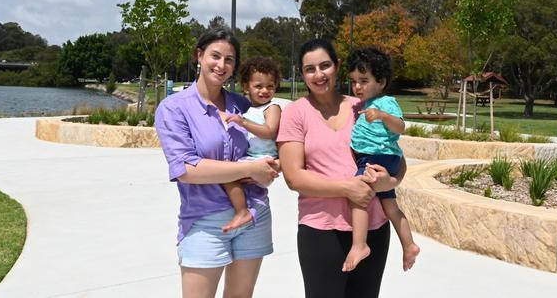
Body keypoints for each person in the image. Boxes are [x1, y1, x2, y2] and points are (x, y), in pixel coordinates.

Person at [277, 39, 407, 298]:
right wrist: (347, 188)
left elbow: (396, 156)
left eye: (325, 66)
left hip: (373, 228)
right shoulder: (295, 113)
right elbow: (294, 177)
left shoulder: (364, 105)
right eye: (310, 69)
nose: (319, 74)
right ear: (301, 74)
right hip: (322, 229)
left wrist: (390, 182)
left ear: (336, 67)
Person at [154, 28, 279, 298]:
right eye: (215, 56)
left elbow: (265, 144)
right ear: (199, 56)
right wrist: (249, 168)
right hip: (204, 221)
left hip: (255, 213)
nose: (221, 65)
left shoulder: (242, 106)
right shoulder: (174, 108)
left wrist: (272, 167)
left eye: (230, 60)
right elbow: (186, 169)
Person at [342, 47, 420, 273]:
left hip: (378, 157)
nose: (357, 87)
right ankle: (409, 245)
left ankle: (359, 245)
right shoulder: (365, 104)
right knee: (391, 206)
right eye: (354, 81)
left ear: (382, 81)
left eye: (364, 81)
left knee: (357, 196)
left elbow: (401, 126)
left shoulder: (385, 102)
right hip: (380, 157)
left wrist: (383, 116)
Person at [223, 56, 282, 233]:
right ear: (246, 87)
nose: (265, 91)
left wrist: (243, 123)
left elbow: (270, 131)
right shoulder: (249, 109)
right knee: (226, 173)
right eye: (258, 86)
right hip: (253, 158)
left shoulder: (272, 107)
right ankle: (244, 209)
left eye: (270, 86)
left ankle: (242, 212)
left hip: (264, 159)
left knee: (227, 175)